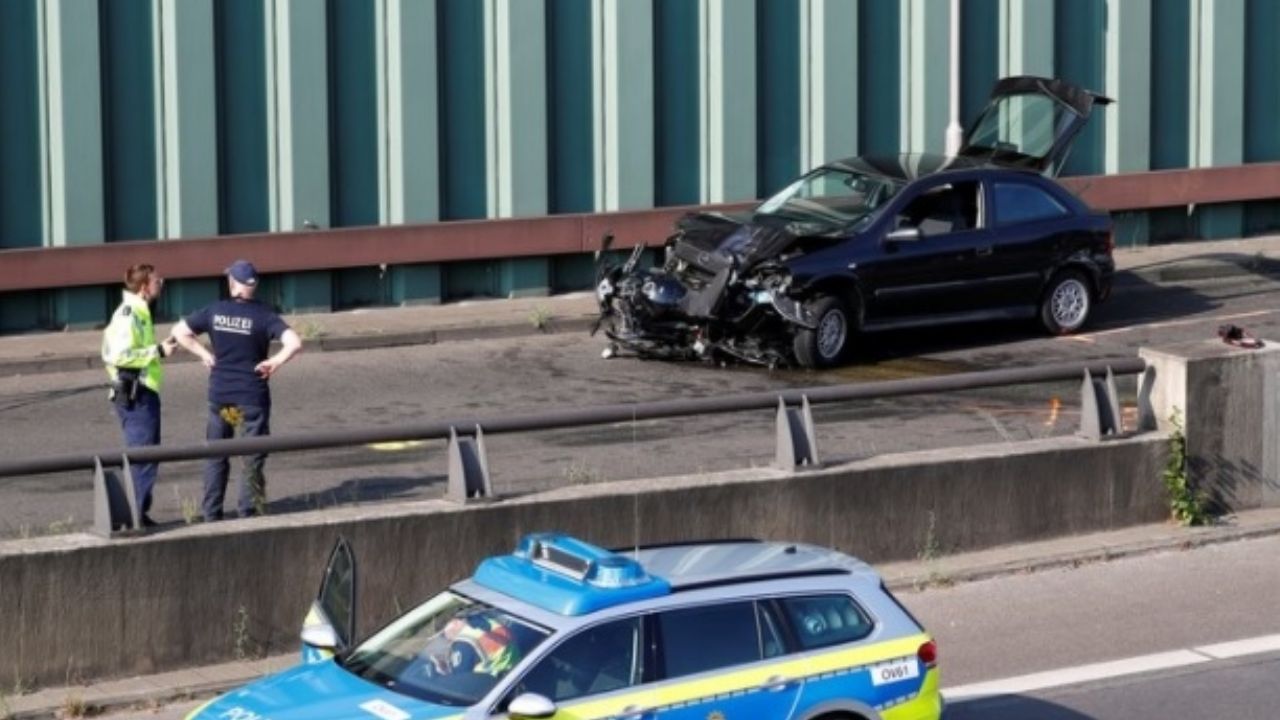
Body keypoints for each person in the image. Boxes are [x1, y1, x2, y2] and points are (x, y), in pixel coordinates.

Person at [172, 260, 302, 521]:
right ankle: (248, 513)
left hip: (221, 397)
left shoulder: (215, 311)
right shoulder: (265, 315)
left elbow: (179, 332)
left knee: (216, 455)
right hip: (251, 398)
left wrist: (205, 354)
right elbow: (295, 342)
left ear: (232, 283)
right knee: (251, 457)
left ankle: (211, 514)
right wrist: (274, 362)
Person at [101, 264, 177, 527]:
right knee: (142, 457)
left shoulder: (139, 311)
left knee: (145, 456)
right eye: (157, 280)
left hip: (141, 392)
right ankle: (133, 518)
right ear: (144, 286)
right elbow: (118, 355)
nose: (162, 283)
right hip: (136, 395)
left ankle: (137, 513)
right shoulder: (130, 313)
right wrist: (158, 351)